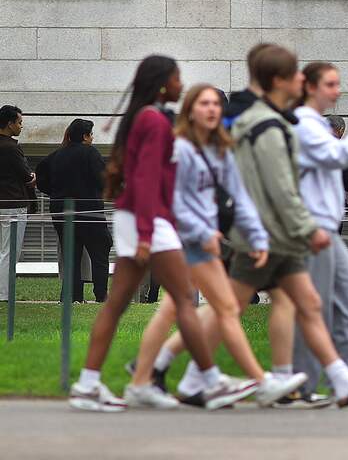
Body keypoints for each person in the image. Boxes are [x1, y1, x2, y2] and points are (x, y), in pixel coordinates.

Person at [169, 45, 348, 407]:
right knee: (235, 306)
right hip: (276, 232)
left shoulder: (275, 121)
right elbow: (279, 188)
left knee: (302, 305)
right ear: (279, 81)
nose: (301, 81)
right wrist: (305, 229)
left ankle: (323, 381)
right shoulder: (272, 124)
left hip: (277, 231)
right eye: (296, 76)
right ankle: (194, 376)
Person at [69, 56, 256, 412]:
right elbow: (146, 178)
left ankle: (90, 385)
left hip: (142, 218)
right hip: (147, 220)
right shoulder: (154, 120)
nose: (180, 85)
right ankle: (211, 381)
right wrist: (144, 233)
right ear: (160, 84)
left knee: (119, 303)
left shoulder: (146, 117)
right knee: (184, 300)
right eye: (176, 78)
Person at [127, 84, 307, 409]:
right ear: (190, 111)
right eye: (203, 104)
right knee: (224, 308)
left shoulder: (220, 149)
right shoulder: (180, 149)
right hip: (184, 239)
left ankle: (144, 376)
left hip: (203, 240)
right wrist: (201, 231)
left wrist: (256, 236)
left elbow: (239, 198)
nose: (211, 110)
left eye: (214, 105)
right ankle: (258, 382)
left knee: (174, 308)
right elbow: (173, 200)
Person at [293, 62, 348, 404]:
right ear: (311, 87)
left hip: (327, 230)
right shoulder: (304, 124)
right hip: (313, 230)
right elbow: (341, 154)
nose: (338, 90)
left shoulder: (313, 125)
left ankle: (344, 381)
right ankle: (304, 385)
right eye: (331, 84)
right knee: (316, 310)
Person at [42, 119, 112, 303]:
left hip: (61, 212)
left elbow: (41, 178)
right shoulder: (90, 153)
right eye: (91, 134)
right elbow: (103, 180)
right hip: (90, 212)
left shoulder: (56, 156)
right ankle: (101, 294)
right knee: (100, 251)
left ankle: (73, 296)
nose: (92, 138)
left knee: (71, 254)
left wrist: (55, 193)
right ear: (85, 136)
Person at [0, 105, 35, 303]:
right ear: (9, 123)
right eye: (19, 122)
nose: (21, 126)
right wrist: (32, 177)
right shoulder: (11, 148)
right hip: (13, 204)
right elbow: (25, 176)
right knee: (10, 252)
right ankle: (4, 294)